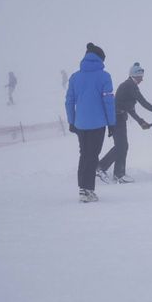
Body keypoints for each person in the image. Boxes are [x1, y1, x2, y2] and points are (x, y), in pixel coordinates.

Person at [97, 63, 152, 184]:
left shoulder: (129, 85)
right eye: (141, 76)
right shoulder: (130, 86)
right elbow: (143, 103)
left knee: (122, 146)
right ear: (135, 76)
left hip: (117, 117)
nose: (142, 79)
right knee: (122, 146)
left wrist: (140, 121)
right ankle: (109, 171)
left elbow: (129, 108)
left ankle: (112, 171)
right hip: (117, 118)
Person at [65, 42, 116, 203]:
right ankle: (88, 190)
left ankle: (83, 189)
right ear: (100, 59)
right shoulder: (104, 76)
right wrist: (112, 123)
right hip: (97, 124)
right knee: (92, 155)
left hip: (80, 124)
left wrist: (72, 121)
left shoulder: (75, 77)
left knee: (84, 154)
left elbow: (69, 101)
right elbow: (108, 102)